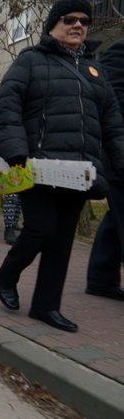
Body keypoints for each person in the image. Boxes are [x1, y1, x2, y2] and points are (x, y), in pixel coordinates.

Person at [0, 0, 124, 332]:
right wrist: (16, 154)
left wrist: (120, 162)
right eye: (69, 19)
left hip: (79, 172)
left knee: (62, 241)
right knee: (40, 228)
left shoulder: (95, 71)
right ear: (52, 25)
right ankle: (7, 273)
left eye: (84, 20)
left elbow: (112, 123)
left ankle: (45, 306)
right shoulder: (30, 61)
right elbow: (8, 106)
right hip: (36, 166)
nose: (78, 25)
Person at [85, 38, 124, 301]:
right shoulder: (119, 52)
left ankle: (101, 279)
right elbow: (110, 102)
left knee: (116, 218)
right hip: (118, 152)